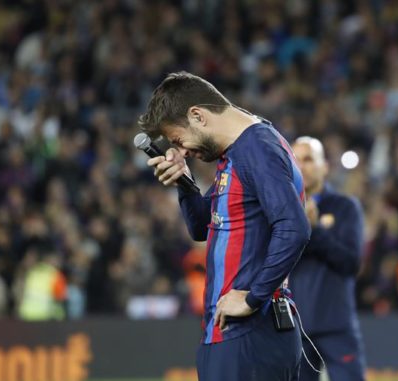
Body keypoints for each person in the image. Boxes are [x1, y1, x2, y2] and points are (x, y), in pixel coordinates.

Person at [138, 72, 310, 381]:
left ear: (198, 116)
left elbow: (294, 227)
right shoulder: (239, 151)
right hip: (237, 336)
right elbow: (203, 227)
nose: (184, 150)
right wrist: (185, 182)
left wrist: (253, 297)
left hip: (250, 335)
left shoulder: (255, 148)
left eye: (179, 140)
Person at [288, 137, 366, 381]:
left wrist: (315, 230)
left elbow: (351, 262)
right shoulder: (282, 210)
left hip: (336, 323)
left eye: (309, 159)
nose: (302, 166)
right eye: (296, 160)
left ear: (325, 166)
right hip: (295, 327)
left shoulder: (345, 207)